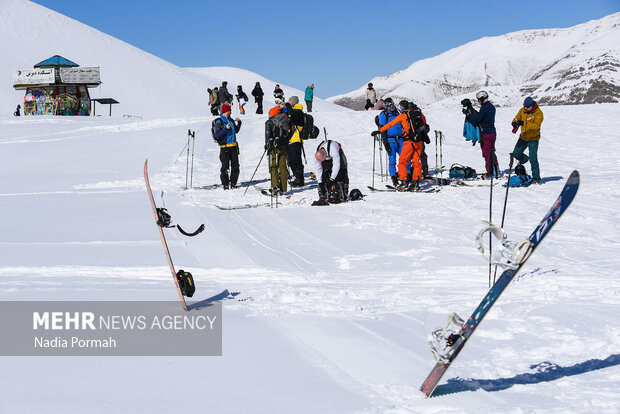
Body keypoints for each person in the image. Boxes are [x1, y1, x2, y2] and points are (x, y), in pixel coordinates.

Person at [374, 102, 429, 190]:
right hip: (418, 142)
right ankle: (416, 183)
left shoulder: (403, 116)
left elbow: (390, 124)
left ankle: (404, 182)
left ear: (403, 108)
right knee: (416, 162)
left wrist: (379, 131)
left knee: (403, 162)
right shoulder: (417, 114)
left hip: (408, 142)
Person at [465, 90, 499, 178]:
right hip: (492, 133)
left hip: (486, 133)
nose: (478, 101)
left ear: (482, 98)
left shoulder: (484, 108)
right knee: (492, 152)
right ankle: (496, 170)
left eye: (478, 99)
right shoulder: (491, 107)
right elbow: (481, 115)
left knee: (487, 154)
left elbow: (476, 120)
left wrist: (468, 115)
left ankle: (490, 173)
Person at [511, 96, 544, 184]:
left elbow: (536, 126)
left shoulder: (538, 113)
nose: (525, 108)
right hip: (523, 137)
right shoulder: (522, 110)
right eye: (524, 106)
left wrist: (524, 124)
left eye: (527, 107)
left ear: (532, 106)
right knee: (516, 153)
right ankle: (524, 159)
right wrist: (514, 122)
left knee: (533, 159)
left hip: (533, 139)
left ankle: (536, 179)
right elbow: (517, 118)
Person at [377, 98, 406, 186]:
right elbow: (382, 129)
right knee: (392, 160)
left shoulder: (399, 112)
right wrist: (385, 143)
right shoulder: (384, 115)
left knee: (404, 159)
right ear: (386, 106)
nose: (391, 106)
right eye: (389, 105)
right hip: (390, 140)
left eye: (392, 104)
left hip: (401, 139)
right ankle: (394, 177)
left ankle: (404, 176)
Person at [212, 104, 242, 189]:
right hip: (225, 147)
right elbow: (217, 134)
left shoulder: (231, 120)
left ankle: (233, 183)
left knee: (235, 165)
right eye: (229, 110)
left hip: (233, 146)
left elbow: (236, 131)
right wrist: (226, 129)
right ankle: (225, 184)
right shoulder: (219, 121)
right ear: (225, 111)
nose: (231, 112)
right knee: (225, 166)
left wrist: (239, 123)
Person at [265, 107, 291, 195]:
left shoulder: (270, 122)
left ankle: (275, 187)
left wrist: (267, 145)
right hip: (284, 146)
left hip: (273, 147)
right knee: (282, 167)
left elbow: (268, 135)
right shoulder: (285, 119)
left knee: (272, 167)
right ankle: (283, 188)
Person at [313, 139, 349, 204]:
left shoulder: (333, 150)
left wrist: (331, 179)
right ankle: (324, 192)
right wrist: (320, 182)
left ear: (325, 156)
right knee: (325, 172)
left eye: (322, 160)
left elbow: (336, 165)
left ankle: (345, 190)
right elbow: (318, 169)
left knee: (343, 169)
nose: (320, 162)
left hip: (339, 154)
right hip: (326, 155)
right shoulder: (317, 156)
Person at [284, 96, 305, 187]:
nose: (288, 102)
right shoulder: (295, 111)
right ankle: (298, 178)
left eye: (290, 101)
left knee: (296, 161)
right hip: (292, 140)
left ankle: (300, 180)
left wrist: (287, 105)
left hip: (295, 139)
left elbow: (291, 114)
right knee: (292, 160)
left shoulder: (298, 111)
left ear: (293, 102)